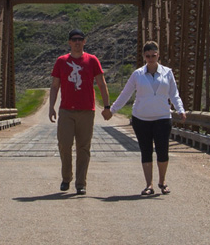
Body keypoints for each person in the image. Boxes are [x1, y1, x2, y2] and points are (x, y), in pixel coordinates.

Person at [103, 41, 186, 196]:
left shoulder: (167, 72)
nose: (151, 58)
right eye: (147, 56)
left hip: (162, 116)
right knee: (146, 151)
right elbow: (125, 94)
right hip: (141, 118)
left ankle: (163, 181)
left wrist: (180, 110)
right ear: (144, 56)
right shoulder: (137, 74)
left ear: (158, 55)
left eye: (153, 55)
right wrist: (112, 110)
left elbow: (174, 94)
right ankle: (149, 185)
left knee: (163, 151)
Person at [49, 29, 110, 195]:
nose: (77, 42)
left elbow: (102, 84)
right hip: (66, 110)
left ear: (84, 42)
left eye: (80, 39)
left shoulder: (92, 60)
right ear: (69, 42)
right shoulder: (61, 61)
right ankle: (66, 177)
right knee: (64, 144)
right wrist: (51, 107)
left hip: (86, 111)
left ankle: (81, 183)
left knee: (83, 147)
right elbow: (55, 86)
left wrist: (106, 106)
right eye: (74, 39)